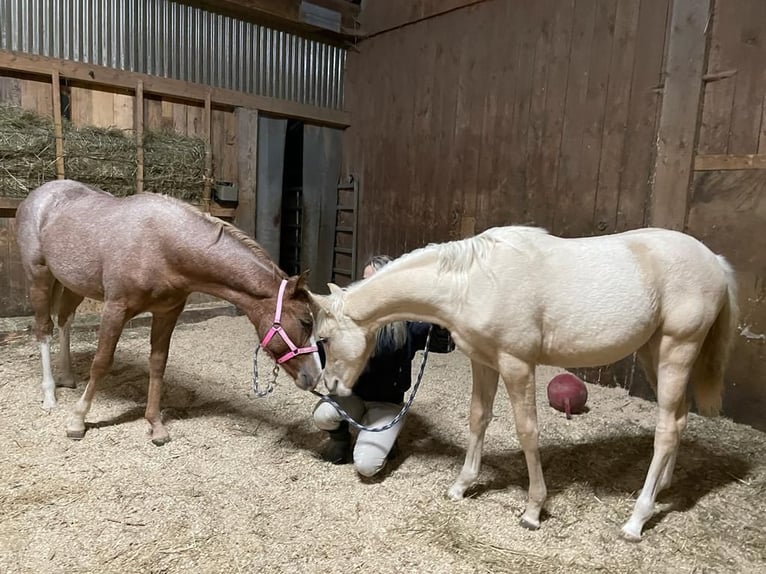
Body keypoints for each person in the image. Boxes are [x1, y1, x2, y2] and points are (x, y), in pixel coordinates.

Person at [313, 255, 455, 477]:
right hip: (353, 395)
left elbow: (442, 343)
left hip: (386, 403)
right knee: (323, 414)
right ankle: (341, 440)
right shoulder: (346, 321)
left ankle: (388, 437)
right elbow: (324, 354)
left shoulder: (405, 322)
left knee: (366, 467)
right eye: (363, 281)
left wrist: (441, 323)